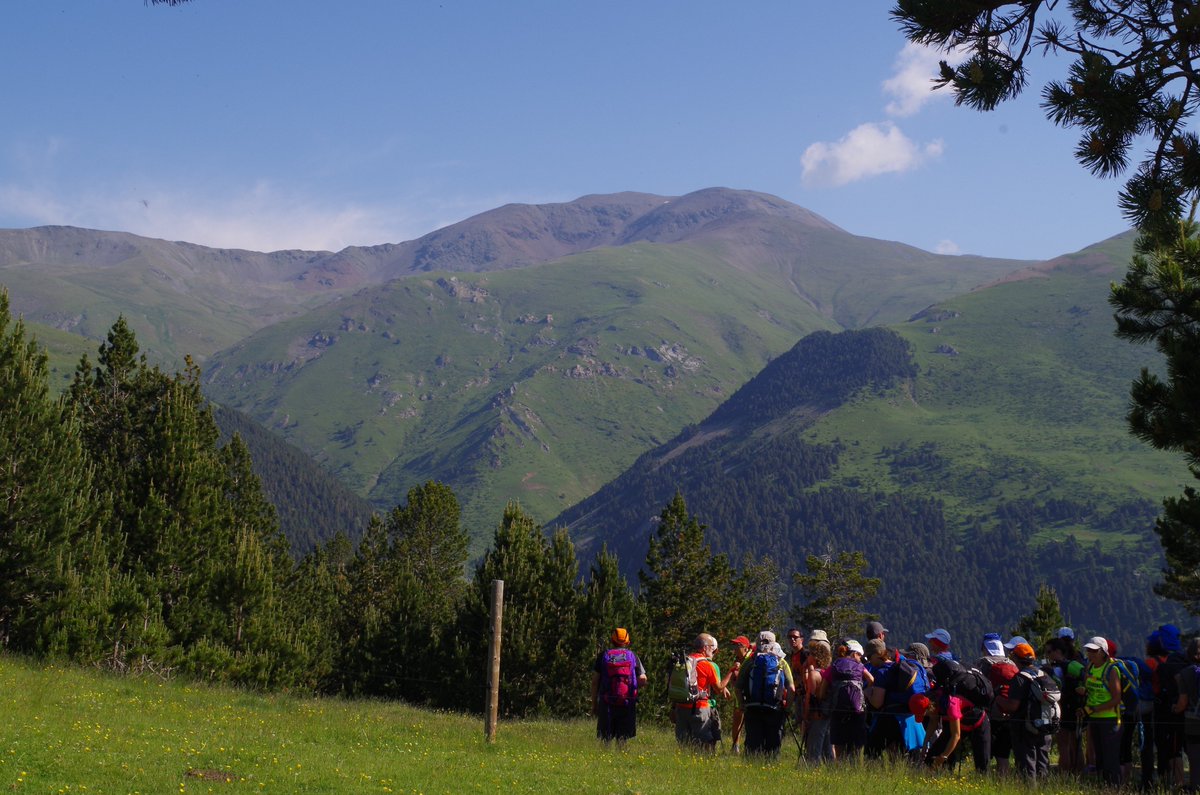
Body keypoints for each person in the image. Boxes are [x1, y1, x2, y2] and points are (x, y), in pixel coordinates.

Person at [995, 642, 1055, 783]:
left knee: (1027, 763)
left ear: (1016, 659)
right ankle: (1044, 788)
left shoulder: (1020, 678)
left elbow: (1013, 706)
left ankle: (1028, 789)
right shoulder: (1043, 674)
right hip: (1045, 723)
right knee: (1042, 761)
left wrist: (997, 697)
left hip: (1025, 726)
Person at [928, 656, 992, 773]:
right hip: (968, 720)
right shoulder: (942, 695)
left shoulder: (951, 702)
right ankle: (945, 773)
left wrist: (943, 756)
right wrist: (925, 746)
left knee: (982, 767)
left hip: (977, 722)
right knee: (932, 758)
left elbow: (956, 736)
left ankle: (945, 773)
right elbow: (934, 721)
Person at [738, 633, 795, 758]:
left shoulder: (750, 661)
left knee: (753, 746)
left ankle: (752, 765)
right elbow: (791, 688)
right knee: (773, 745)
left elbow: (738, 686)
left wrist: (742, 704)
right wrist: (787, 708)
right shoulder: (781, 662)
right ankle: (771, 764)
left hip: (752, 707)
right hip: (774, 708)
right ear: (774, 643)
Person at [590, 627, 648, 747]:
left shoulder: (603, 656)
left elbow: (595, 682)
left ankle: (604, 757)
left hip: (606, 702)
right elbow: (643, 679)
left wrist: (594, 704)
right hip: (627, 702)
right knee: (622, 739)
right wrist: (631, 687)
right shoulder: (632, 656)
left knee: (605, 739)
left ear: (612, 640)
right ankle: (621, 757)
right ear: (627, 641)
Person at [1079, 635, 1123, 786]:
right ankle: (1103, 786)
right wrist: (1083, 691)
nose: (1090, 653)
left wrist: (1094, 708)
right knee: (1100, 757)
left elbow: (1116, 699)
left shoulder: (1111, 670)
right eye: (1088, 650)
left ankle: (1114, 787)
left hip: (1110, 719)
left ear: (1103, 652)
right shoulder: (1090, 667)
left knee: (1110, 757)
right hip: (1094, 717)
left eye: (1094, 650)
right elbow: (1091, 689)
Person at [673, 633, 728, 751]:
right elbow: (718, 689)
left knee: (684, 744)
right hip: (699, 708)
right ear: (705, 648)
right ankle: (706, 761)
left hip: (681, 706)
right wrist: (731, 673)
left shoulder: (685, 661)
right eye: (711, 646)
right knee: (704, 743)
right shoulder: (707, 665)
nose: (713, 649)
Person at [976, 632, 1017, 776]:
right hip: (1010, 711)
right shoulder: (1011, 663)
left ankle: (984, 779)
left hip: (989, 713)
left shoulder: (983, 663)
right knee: (1003, 754)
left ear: (985, 647)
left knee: (984, 750)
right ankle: (1003, 782)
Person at [1154, 623, 1188, 788]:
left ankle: (1179, 784)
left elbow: (1179, 680)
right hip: (1187, 710)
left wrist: (1179, 703)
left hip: (1176, 711)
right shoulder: (1184, 657)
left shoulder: (1174, 659)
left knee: (1174, 749)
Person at [1046, 635, 1086, 774]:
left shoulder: (1056, 668)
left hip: (1063, 708)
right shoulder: (1073, 665)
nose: (1048, 655)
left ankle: (1064, 775)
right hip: (1076, 708)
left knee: (1063, 745)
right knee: (1076, 744)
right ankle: (1079, 773)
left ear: (1058, 651)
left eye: (1049, 651)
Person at [829, 639, 874, 761]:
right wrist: (864, 691)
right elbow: (871, 679)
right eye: (859, 655)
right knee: (857, 742)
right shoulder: (860, 666)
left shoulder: (836, 664)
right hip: (857, 709)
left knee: (839, 741)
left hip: (838, 708)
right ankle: (855, 765)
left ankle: (839, 764)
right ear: (854, 654)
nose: (860, 658)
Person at [1171, 636, 1200, 791]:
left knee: (1195, 759)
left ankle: (1196, 788)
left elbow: (1182, 703)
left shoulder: (1186, 673)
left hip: (1193, 723)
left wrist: (1174, 708)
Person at [801, 634, 834, 763]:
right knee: (827, 746)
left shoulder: (814, 674)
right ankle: (832, 768)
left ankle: (812, 767)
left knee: (814, 746)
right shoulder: (827, 672)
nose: (807, 656)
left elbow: (810, 696)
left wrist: (806, 716)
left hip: (816, 714)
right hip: (827, 713)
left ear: (815, 657)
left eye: (810, 654)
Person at [727, 635, 753, 754]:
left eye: (737, 645)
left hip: (750, 695)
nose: (735, 648)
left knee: (750, 722)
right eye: (734, 645)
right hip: (739, 695)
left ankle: (750, 747)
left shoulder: (750, 659)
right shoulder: (738, 660)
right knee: (737, 720)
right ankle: (735, 747)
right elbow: (734, 680)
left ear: (745, 647)